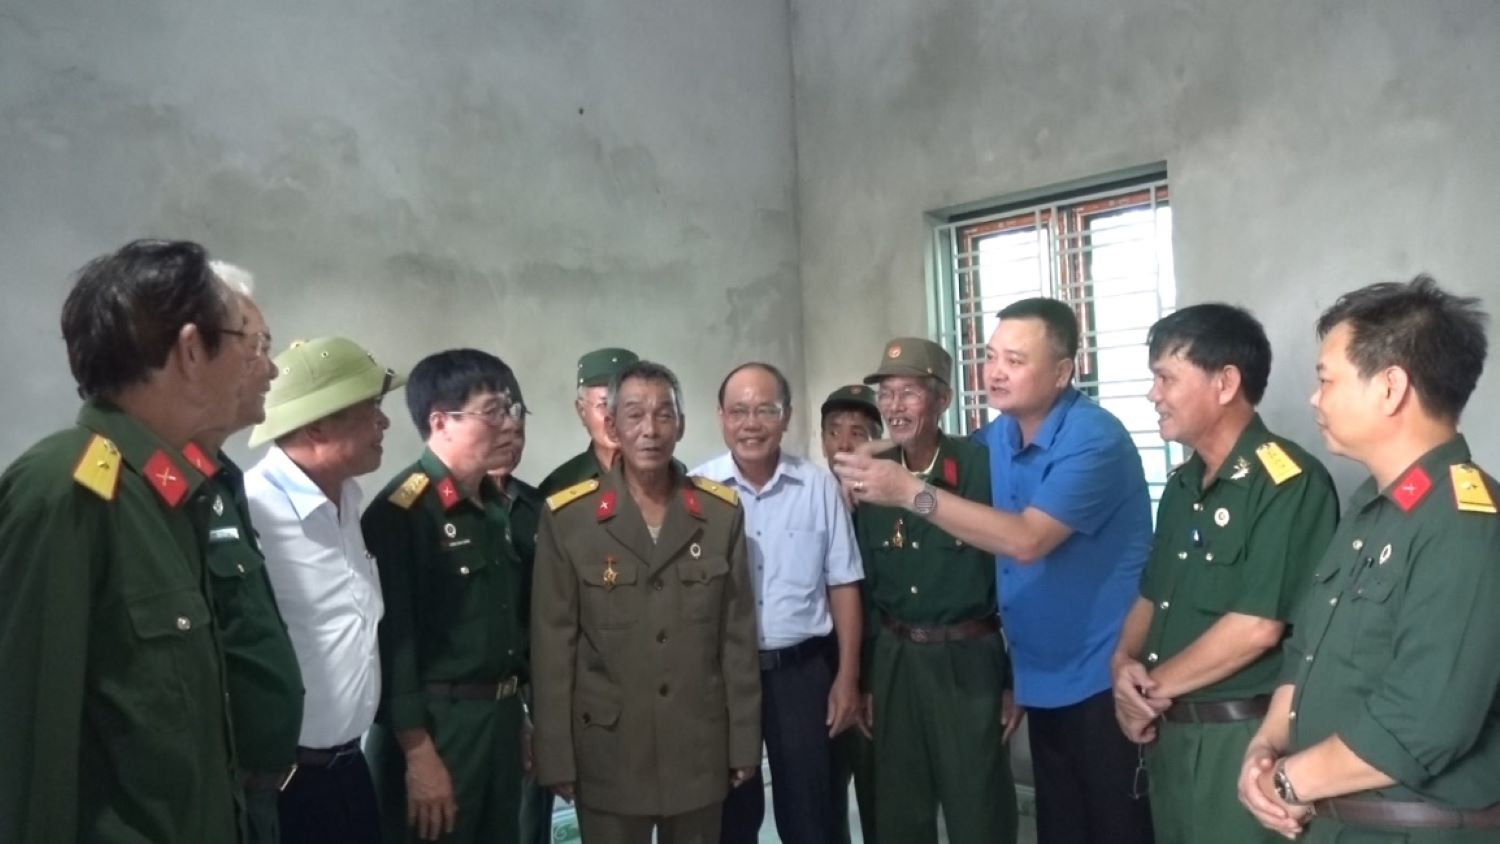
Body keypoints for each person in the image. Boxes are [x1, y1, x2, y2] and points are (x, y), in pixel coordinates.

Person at [835, 303, 1155, 844]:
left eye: (1015, 360)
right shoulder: (999, 439)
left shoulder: (1094, 439)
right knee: (1062, 827)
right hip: (1043, 670)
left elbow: (1026, 540)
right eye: (990, 357)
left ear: (1062, 372)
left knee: (1113, 825)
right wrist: (869, 451)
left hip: (1102, 673)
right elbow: (934, 451)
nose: (997, 372)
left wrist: (908, 491)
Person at [0, 239, 252, 842]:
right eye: (242, 339)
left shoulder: (166, 492)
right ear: (191, 350)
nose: (253, 363)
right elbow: (27, 745)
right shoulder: (69, 490)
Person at [1239, 276, 1500, 842]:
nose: (1314, 399)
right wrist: (1265, 746)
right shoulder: (1370, 509)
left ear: (1390, 388)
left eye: (1326, 380)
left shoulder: (1465, 522)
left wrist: (1286, 781)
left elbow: (1425, 721)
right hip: (1328, 821)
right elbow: (1306, 654)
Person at [1110, 304, 1338, 843]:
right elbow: (1152, 597)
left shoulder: (1288, 482)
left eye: (1166, 378)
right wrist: (1120, 667)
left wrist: (1148, 692)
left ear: (1226, 383)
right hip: (1170, 736)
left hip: (1240, 742)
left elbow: (1257, 627)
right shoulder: (1182, 486)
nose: (1153, 395)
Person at [531, 360, 761, 844]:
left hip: (697, 750)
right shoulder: (569, 520)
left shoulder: (719, 514)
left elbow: (736, 639)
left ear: (681, 424)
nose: (650, 430)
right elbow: (553, 648)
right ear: (612, 426)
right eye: (634, 415)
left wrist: (744, 743)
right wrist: (556, 755)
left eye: (663, 414)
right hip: (609, 754)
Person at [832, 337, 1018, 844]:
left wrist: (1014, 679)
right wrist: (867, 678)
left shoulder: (980, 469)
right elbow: (868, 588)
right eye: (887, 394)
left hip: (968, 661)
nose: (894, 406)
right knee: (900, 810)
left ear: (942, 399)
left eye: (909, 393)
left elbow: (1017, 580)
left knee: (979, 811)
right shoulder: (868, 476)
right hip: (895, 660)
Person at [363, 349, 532, 843]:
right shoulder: (403, 512)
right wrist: (417, 752)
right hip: (438, 731)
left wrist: (517, 715)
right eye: (492, 412)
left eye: (510, 410)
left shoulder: (495, 508)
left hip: (497, 724)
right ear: (440, 421)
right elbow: (395, 644)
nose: (508, 425)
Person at [693, 363, 864, 844]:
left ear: (786, 416)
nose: (751, 424)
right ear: (721, 417)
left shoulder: (817, 487)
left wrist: (847, 678)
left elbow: (843, 584)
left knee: (811, 816)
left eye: (765, 410)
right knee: (730, 817)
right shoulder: (697, 491)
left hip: (803, 676)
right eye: (739, 411)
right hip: (725, 677)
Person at [245, 336, 406, 843]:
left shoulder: (349, 503)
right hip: (281, 785)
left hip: (348, 769)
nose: (384, 422)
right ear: (315, 425)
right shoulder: (253, 511)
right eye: (371, 408)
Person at [195, 264, 307, 844]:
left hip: (254, 794)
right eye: (257, 345)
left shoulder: (220, 481)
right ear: (191, 352)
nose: (272, 368)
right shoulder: (111, 493)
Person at [819, 384, 883, 844]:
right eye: (834, 432)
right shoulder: (810, 496)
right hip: (817, 677)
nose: (843, 443)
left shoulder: (896, 504)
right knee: (823, 803)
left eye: (858, 433)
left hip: (877, 677)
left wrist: (866, 682)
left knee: (881, 798)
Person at [484, 390, 548, 844]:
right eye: (500, 433)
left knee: (529, 811)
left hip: (532, 678)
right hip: (473, 690)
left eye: (519, 434)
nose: (511, 443)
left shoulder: (537, 507)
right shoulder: (438, 507)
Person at [538, 347, 641, 496]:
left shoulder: (669, 476)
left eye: (627, 403)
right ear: (582, 411)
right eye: (604, 404)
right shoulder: (560, 487)